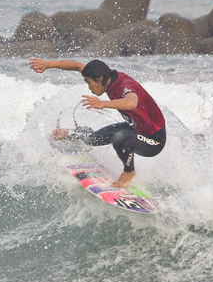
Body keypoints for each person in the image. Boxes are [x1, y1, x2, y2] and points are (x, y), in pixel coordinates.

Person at [29, 58, 166, 188]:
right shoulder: (102, 74)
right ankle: (74, 133)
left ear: (99, 79)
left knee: (119, 138)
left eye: (89, 82)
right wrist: (48, 64)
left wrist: (103, 104)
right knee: (92, 139)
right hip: (135, 128)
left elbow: (131, 102)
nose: (89, 88)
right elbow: (77, 66)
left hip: (153, 139)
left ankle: (129, 171)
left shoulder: (124, 85)